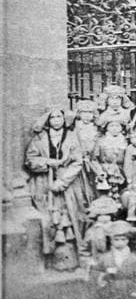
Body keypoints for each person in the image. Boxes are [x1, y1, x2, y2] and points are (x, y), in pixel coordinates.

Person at [25, 108, 85, 270]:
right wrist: (49, 163)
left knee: (71, 218)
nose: (57, 120)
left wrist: (63, 181)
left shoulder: (72, 137)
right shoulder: (39, 138)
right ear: (48, 120)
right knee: (48, 219)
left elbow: (78, 162)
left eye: (59, 117)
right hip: (44, 185)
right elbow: (30, 160)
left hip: (68, 185)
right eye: (53, 117)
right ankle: (49, 258)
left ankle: (71, 260)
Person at [84, 220, 136, 299]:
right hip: (110, 291)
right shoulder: (105, 257)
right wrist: (103, 276)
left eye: (123, 239)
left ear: (128, 241)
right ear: (111, 241)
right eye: (116, 239)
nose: (120, 242)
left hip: (128, 291)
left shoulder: (134, 258)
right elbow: (96, 273)